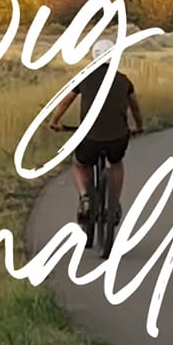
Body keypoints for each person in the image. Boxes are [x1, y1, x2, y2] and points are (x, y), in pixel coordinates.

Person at [49, 39, 143, 236]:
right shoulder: (123, 80)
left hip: (89, 137)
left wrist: (55, 121)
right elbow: (134, 106)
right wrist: (138, 126)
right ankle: (114, 202)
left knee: (80, 163)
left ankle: (85, 197)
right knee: (116, 162)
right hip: (118, 137)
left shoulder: (84, 77)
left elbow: (66, 101)